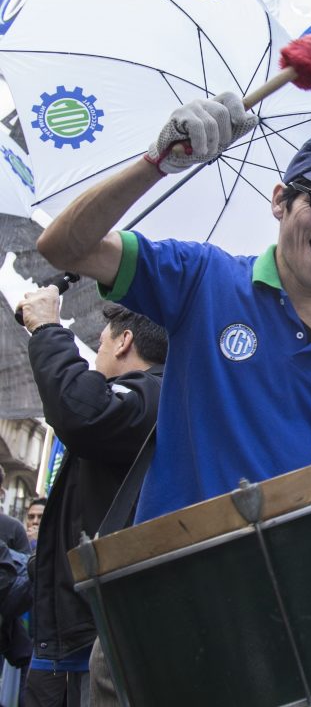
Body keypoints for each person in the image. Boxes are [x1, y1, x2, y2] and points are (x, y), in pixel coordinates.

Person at [35, 93, 311, 703]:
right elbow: (63, 248)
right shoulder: (202, 278)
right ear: (281, 200)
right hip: (162, 597)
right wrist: (156, 161)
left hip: (291, 625)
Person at [14, 290, 167, 707]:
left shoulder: (153, 395)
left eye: (99, 342)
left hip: (95, 643)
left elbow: (83, 411)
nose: (98, 353)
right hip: (72, 637)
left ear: (124, 341)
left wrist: (47, 328)